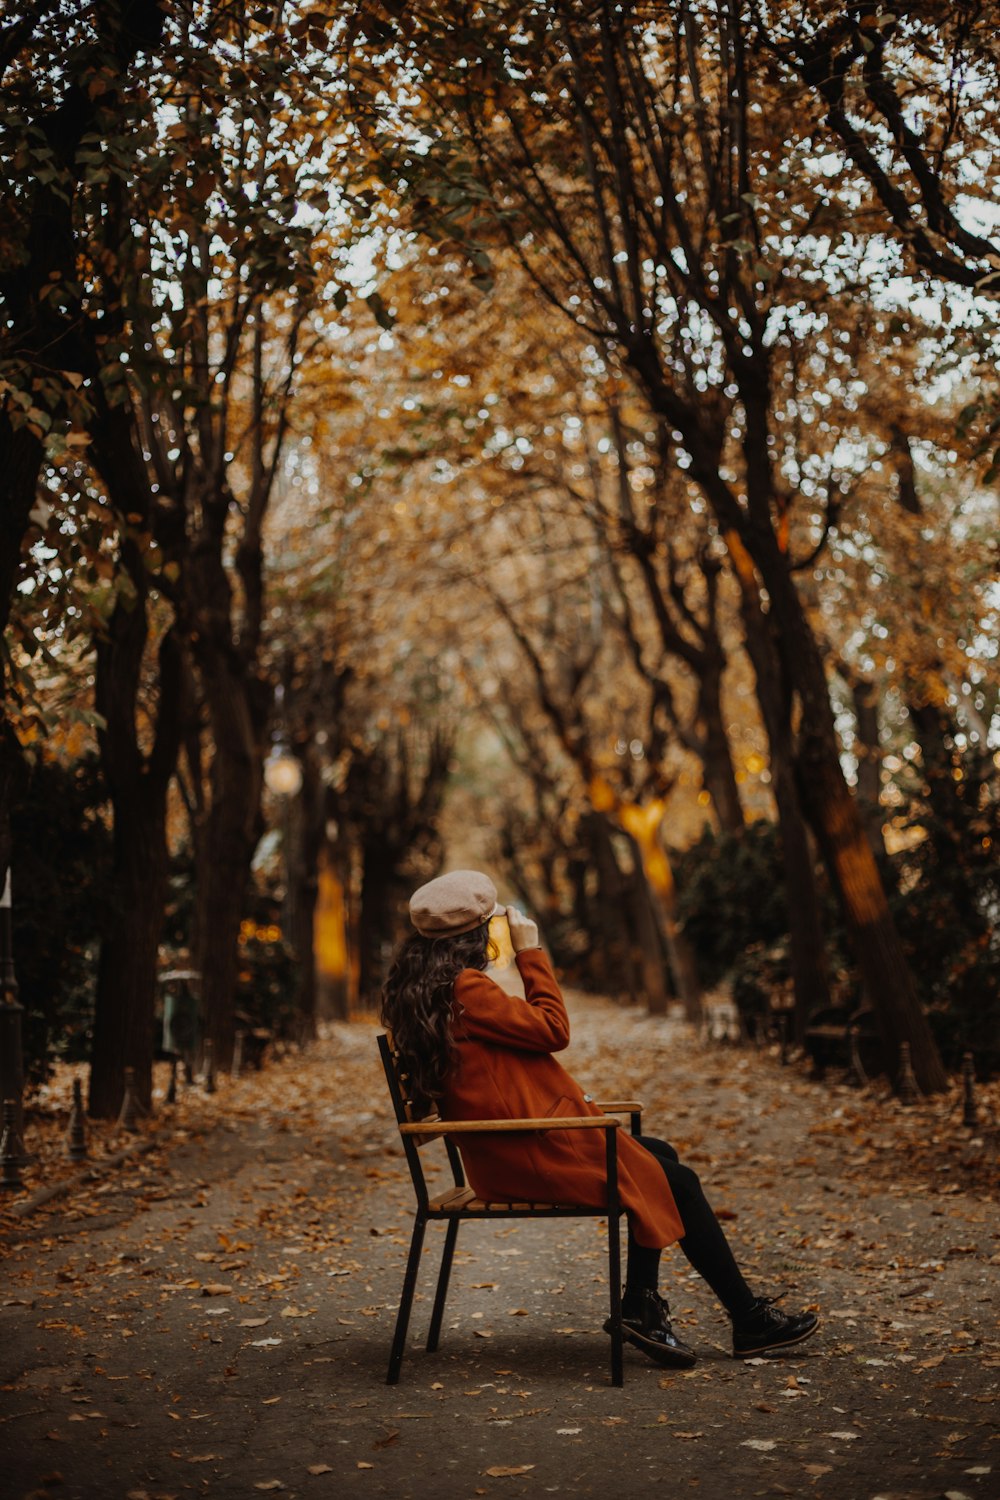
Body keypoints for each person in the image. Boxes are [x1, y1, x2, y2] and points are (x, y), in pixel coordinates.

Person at [380, 869, 819, 1368]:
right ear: (479, 932)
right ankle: (742, 1318)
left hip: (505, 1149)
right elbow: (553, 1029)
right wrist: (530, 952)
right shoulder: (466, 989)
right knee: (679, 1179)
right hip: (525, 1152)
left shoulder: (421, 988)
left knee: (661, 1157)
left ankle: (645, 1307)